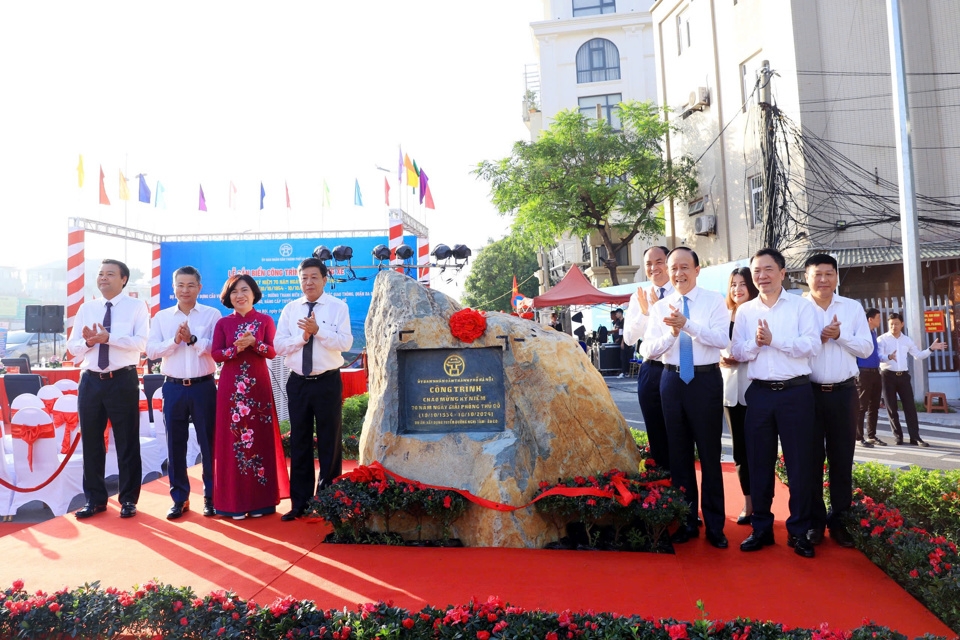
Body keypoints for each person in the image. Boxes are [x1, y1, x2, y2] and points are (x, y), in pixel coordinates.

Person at [732, 248, 821, 558]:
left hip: (796, 393)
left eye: (768, 270)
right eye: (756, 271)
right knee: (758, 463)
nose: (762, 276)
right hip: (759, 394)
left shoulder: (801, 307)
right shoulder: (745, 312)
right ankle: (762, 528)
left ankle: (799, 532)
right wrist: (755, 344)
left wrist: (774, 341)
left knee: (799, 464)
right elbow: (738, 352)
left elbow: (811, 346)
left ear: (782, 272)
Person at [640, 247, 729, 549]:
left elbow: (721, 340)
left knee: (709, 454)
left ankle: (716, 525)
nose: (678, 273)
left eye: (684, 267)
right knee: (679, 456)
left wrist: (687, 325)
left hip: (704, 380)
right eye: (673, 267)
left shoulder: (714, 301)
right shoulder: (659, 307)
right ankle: (687, 520)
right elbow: (647, 349)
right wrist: (672, 335)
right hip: (671, 379)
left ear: (697, 269)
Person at [66, 259, 149, 520]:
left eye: (110, 274)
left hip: (122, 380)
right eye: (100, 274)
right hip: (90, 380)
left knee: (126, 441)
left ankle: (127, 500)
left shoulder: (137, 307)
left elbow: (141, 343)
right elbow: (73, 347)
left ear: (123, 279)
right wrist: (90, 342)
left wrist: (109, 338)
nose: (103, 278)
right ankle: (94, 499)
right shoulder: (87, 308)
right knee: (91, 442)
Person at [274, 259, 354, 521]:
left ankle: (330, 501)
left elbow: (345, 342)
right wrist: (303, 338)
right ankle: (300, 502)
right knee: (299, 442)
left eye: (314, 277)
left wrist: (318, 332)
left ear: (324, 279)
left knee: (330, 442)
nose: (308, 282)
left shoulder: (337, 307)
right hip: (298, 382)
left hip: (327, 381)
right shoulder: (290, 309)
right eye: (304, 278)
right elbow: (280, 346)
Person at [803, 254, 873, 549]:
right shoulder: (798, 308)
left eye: (829, 274)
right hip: (807, 394)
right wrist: (816, 338)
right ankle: (815, 522)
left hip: (845, 393)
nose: (823, 279)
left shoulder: (852, 308)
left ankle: (840, 521)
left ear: (837, 277)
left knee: (842, 459)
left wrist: (840, 335)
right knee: (810, 460)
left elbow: (867, 349)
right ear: (806, 277)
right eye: (817, 274)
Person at [210, 274, 290, 519]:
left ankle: (261, 502)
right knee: (232, 442)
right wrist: (236, 348)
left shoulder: (265, 320)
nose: (240, 295)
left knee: (260, 439)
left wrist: (255, 344)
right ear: (228, 297)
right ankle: (232, 503)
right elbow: (216, 355)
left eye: (244, 290)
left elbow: (273, 352)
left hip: (258, 389)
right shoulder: (223, 324)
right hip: (230, 390)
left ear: (254, 293)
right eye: (234, 292)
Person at [146, 266, 220, 520]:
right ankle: (180, 498)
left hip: (204, 386)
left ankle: (212, 497)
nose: (185, 290)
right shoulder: (162, 317)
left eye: (190, 285)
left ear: (199, 288)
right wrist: (175, 342)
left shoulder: (212, 315)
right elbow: (152, 351)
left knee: (209, 444)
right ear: (173, 287)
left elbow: (217, 349)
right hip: (174, 386)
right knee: (174, 444)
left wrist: (192, 339)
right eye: (180, 285)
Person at [623, 246, 674, 466]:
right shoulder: (639, 296)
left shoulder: (681, 292)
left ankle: (684, 488)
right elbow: (629, 338)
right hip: (651, 369)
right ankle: (663, 491)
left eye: (659, 261)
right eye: (648, 264)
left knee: (678, 431)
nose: (654, 268)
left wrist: (658, 309)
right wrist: (645, 312)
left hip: (676, 369)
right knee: (655, 431)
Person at [720, 267, 758, 526]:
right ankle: (748, 502)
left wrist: (742, 356)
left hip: (756, 389)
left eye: (742, 283)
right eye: (733, 284)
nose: (737, 289)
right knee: (740, 452)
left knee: (759, 450)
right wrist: (720, 359)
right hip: (730, 391)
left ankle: (763, 504)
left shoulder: (758, 312)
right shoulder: (723, 315)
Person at [878, 312, 946, 447]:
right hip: (887, 376)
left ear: (902, 324)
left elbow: (918, 355)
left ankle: (915, 437)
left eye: (896, 324)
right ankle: (898, 436)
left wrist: (931, 349)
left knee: (910, 407)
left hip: (903, 376)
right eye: (891, 324)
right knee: (892, 408)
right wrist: (889, 357)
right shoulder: (882, 339)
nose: (894, 326)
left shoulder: (907, 340)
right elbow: (879, 356)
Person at [856, 308, 886, 447]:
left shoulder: (874, 333)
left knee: (874, 405)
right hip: (863, 372)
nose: (880, 320)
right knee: (862, 406)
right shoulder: (862, 334)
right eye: (878, 317)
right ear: (870, 319)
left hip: (875, 371)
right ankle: (858, 436)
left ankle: (872, 436)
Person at [610, 308, 631, 378]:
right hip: (622, 340)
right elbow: (621, 332)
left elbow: (625, 333)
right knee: (623, 357)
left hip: (625, 341)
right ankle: (625, 372)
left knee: (624, 357)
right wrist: (619, 339)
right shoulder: (620, 322)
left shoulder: (625, 321)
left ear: (620, 313)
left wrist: (622, 342)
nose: (615, 315)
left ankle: (625, 372)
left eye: (616, 313)